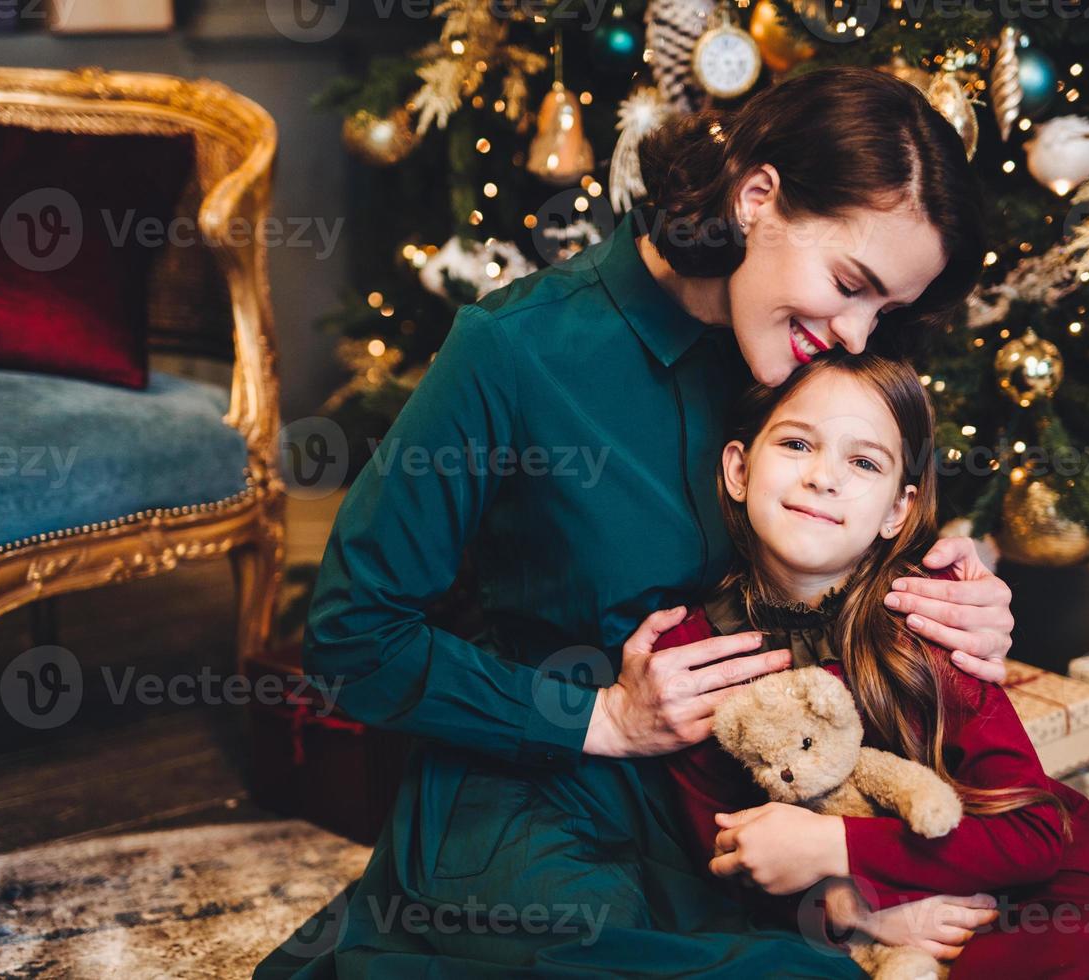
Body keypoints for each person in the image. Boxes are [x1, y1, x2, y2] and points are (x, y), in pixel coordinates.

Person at [255, 66, 1017, 978]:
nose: (859, 335)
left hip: (743, 793)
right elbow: (352, 638)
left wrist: (958, 599)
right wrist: (601, 719)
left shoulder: (820, 362)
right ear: (756, 197)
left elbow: (865, 536)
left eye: (885, 309)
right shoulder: (515, 351)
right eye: (850, 283)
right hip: (537, 792)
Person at [661, 350, 1089, 978]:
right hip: (828, 916)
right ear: (739, 469)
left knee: (1066, 950)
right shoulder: (695, 652)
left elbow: (1035, 834)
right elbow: (723, 856)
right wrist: (851, 906)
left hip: (996, 871)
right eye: (798, 444)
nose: (824, 478)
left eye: (862, 462)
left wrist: (839, 848)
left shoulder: (931, 620)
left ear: (897, 510)